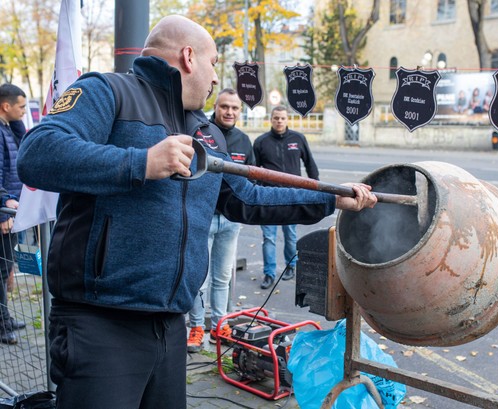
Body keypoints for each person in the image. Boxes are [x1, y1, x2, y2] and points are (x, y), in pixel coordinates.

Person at [16, 15, 377, 409]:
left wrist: (331, 200)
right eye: (214, 61)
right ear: (188, 56)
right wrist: (142, 163)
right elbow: (38, 154)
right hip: (101, 325)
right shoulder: (107, 91)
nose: (215, 75)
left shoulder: (206, 131)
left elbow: (247, 199)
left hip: (170, 327)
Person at [187, 88, 255, 352]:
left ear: (240, 111)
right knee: (198, 277)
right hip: (202, 217)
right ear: (216, 107)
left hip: (230, 222)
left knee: (222, 277)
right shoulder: (201, 133)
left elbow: (251, 178)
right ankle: (195, 327)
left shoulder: (243, 140)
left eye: (234, 108)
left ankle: (219, 326)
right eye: (224, 107)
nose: (229, 112)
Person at [253, 105, 320, 290]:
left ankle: (291, 266)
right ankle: (269, 273)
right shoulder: (260, 142)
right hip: (268, 199)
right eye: (276, 118)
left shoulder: (298, 139)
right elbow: (253, 171)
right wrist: (256, 194)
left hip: (292, 197)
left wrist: (316, 187)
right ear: (271, 119)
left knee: (290, 236)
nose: (279, 121)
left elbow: (310, 164)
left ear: (287, 119)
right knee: (269, 238)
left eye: (282, 118)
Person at [0, 83, 27, 345]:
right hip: (4, 212)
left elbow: (24, 143)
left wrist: (17, 122)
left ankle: (5, 317)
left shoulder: (8, 127)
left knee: (6, 267)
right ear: (5, 106)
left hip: (11, 208)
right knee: (0, 270)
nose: (24, 111)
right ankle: (1, 323)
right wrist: (2, 211)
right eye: (20, 107)